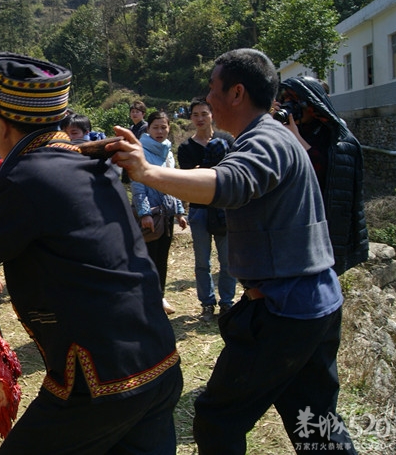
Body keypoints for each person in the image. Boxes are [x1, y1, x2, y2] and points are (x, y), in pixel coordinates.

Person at [0, 52, 181, 455]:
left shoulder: (29, 178)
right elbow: (4, 167)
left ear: (1, 124)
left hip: (100, 382)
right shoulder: (87, 164)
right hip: (157, 363)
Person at [108, 48, 356, 455]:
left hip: (285, 311)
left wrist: (147, 172)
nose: (206, 101)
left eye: (212, 90)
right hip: (313, 303)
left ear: (237, 93)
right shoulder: (269, 136)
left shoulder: (265, 141)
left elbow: (228, 183)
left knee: (217, 418)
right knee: (316, 424)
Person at [276, 76, 368, 275]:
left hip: (323, 229)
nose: (291, 108)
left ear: (313, 105)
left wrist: (296, 138)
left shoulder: (338, 138)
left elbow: (321, 173)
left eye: (297, 103)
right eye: (286, 102)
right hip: (291, 227)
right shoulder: (285, 131)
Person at [177, 97, 236, 320]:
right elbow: (188, 179)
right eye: (195, 115)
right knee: (202, 261)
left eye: (204, 113)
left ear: (212, 115)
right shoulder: (185, 148)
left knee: (228, 260)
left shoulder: (226, 140)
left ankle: (227, 303)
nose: (200, 118)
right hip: (200, 210)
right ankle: (207, 304)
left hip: (224, 208)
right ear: (190, 118)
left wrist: (202, 171)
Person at [131, 111, 187, 315]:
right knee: (148, 259)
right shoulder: (141, 151)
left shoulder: (168, 152)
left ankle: (159, 296)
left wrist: (179, 211)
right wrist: (144, 213)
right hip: (151, 215)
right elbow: (138, 186)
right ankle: (146, 300)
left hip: (166, 215)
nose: (160, 131)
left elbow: (174, 182)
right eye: (156, 127)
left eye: (164, 127)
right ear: (148, 129)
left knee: (162, 258)